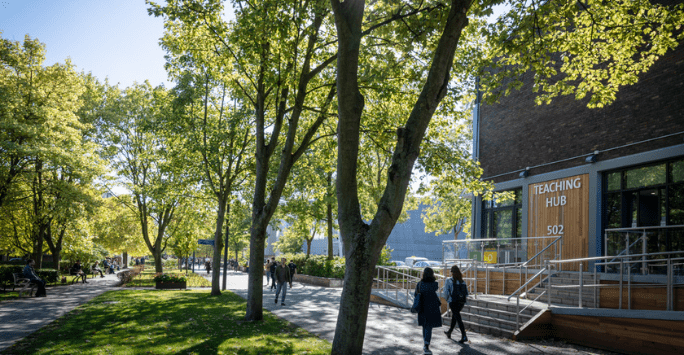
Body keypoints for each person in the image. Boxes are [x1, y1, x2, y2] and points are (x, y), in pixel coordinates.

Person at [415, 267, 442, 355]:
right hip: (432, 307)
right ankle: (426, 344)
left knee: (425, 325)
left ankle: (426, 344)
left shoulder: (420, 284)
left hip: (422, 307)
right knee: (428, 326)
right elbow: (433, 290)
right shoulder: (435, 284)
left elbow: (415, 294)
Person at [443, 264, 468, 344]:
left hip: (453, 301)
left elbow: (445, 292)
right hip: (461, 302)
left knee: (458, 318)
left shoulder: (449, 280)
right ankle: (449, 332)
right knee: (455, 316)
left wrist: (447, 300)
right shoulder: (462, 281)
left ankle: (464, 335)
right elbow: (466, 293)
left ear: (452, 272)